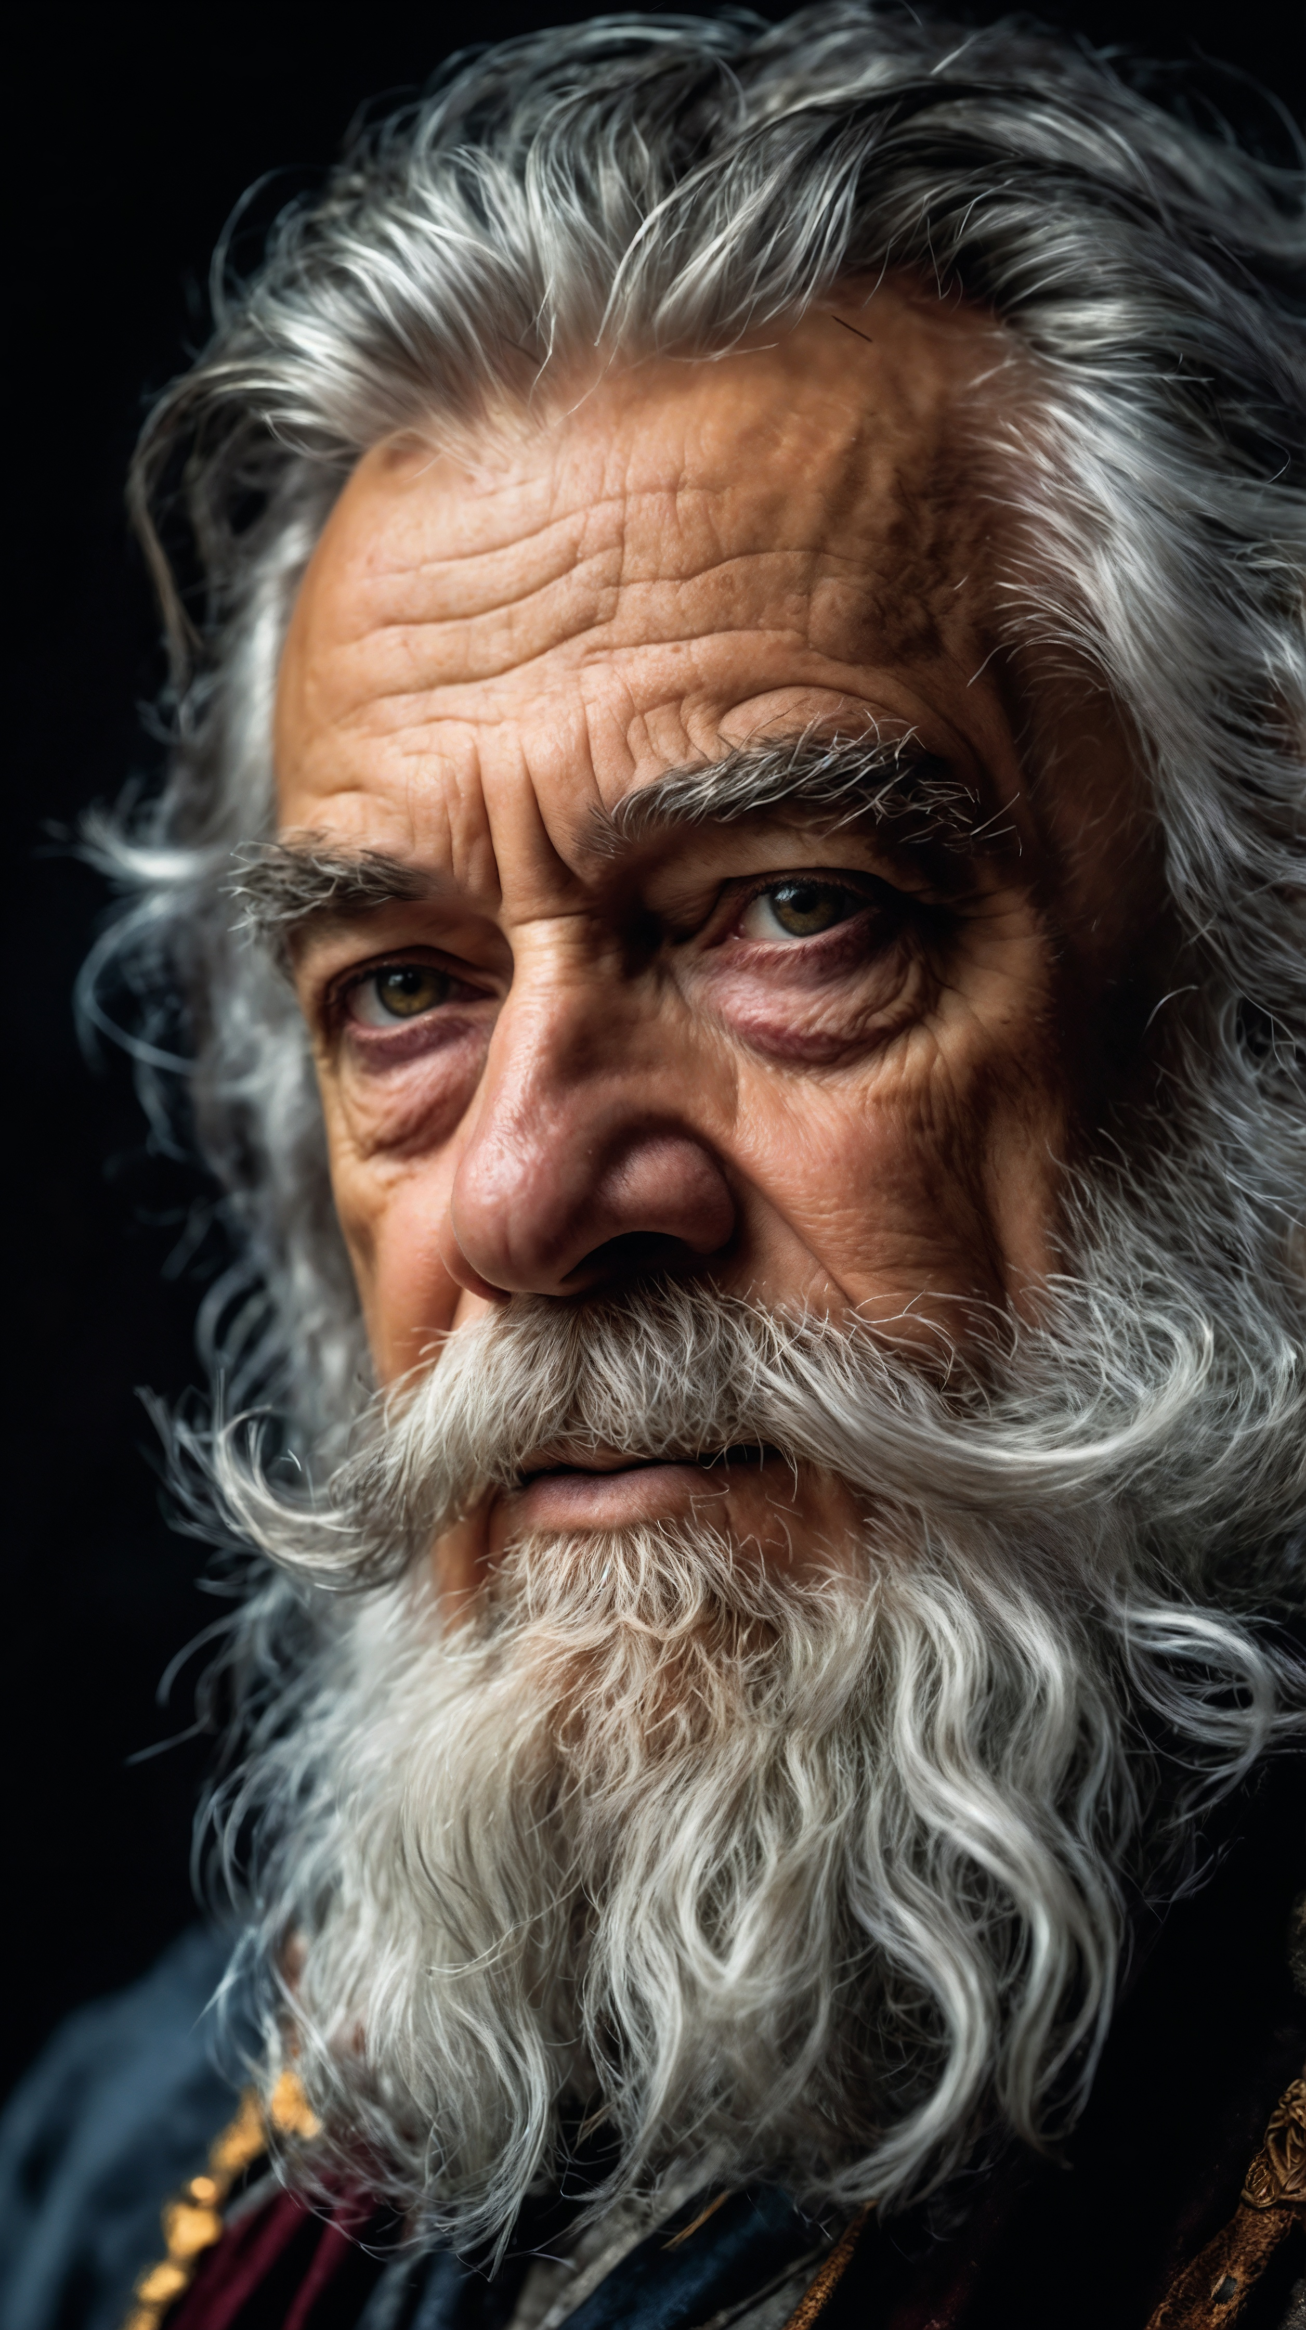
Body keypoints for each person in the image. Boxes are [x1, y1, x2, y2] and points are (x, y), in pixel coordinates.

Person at [3, 7, 1304, 2326]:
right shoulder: (140, 2168)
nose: (525, 1194)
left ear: (1255, 991)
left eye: (793, 911)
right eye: (402, 986)